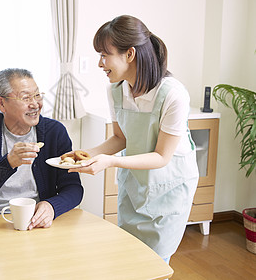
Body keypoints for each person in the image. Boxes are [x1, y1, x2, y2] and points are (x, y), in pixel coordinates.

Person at [68, 15, 199, 263]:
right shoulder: (116, 91)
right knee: (129, 258)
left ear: (129, 54)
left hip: (168, 188)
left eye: (104, 55)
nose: (100, 63)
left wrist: (110, 162)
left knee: (156, 262)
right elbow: (120, 138)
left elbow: (162, 156)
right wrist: (86, 154)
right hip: (135, 186)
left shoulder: (173, 94)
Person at [0, 68, 83, 229]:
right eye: (25, 97)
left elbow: (74, 188)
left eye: (37, 95)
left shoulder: (55, 132)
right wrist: (7, 163)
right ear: (2, 103)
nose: (35, 104)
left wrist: (52, 206)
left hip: (35, 223)